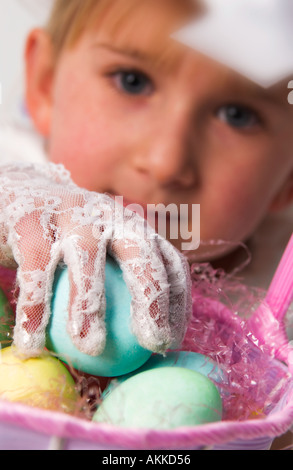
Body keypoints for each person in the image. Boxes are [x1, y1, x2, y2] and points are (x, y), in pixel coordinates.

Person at [0, 0, 292, 358]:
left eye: (237, 115)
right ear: (46, 83)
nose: (165, 164)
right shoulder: (12, 183)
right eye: (132, 82)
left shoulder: (281, 311)